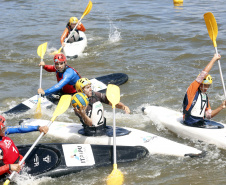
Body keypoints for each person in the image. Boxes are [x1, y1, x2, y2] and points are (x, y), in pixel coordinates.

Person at [183, 54, 226, 127]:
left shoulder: (205, 97)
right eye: (204, 85)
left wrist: (221, 107)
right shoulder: (192, 90)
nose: (206, 88)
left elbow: (209, 116)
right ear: (199, 84)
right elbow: (203, 74)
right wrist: (214, 59)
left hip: (200, 122)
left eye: (208, 86)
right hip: (189, 121)